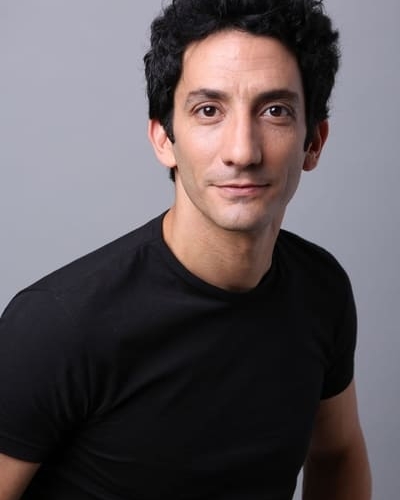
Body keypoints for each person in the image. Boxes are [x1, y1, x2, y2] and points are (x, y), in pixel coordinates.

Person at [0, 0, 372, 498]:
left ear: (314, 143)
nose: (242, 151)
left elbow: (337, 453)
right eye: (208, 111)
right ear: (163, 138)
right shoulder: (56, 326)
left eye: (275, 111)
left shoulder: (321, 290)